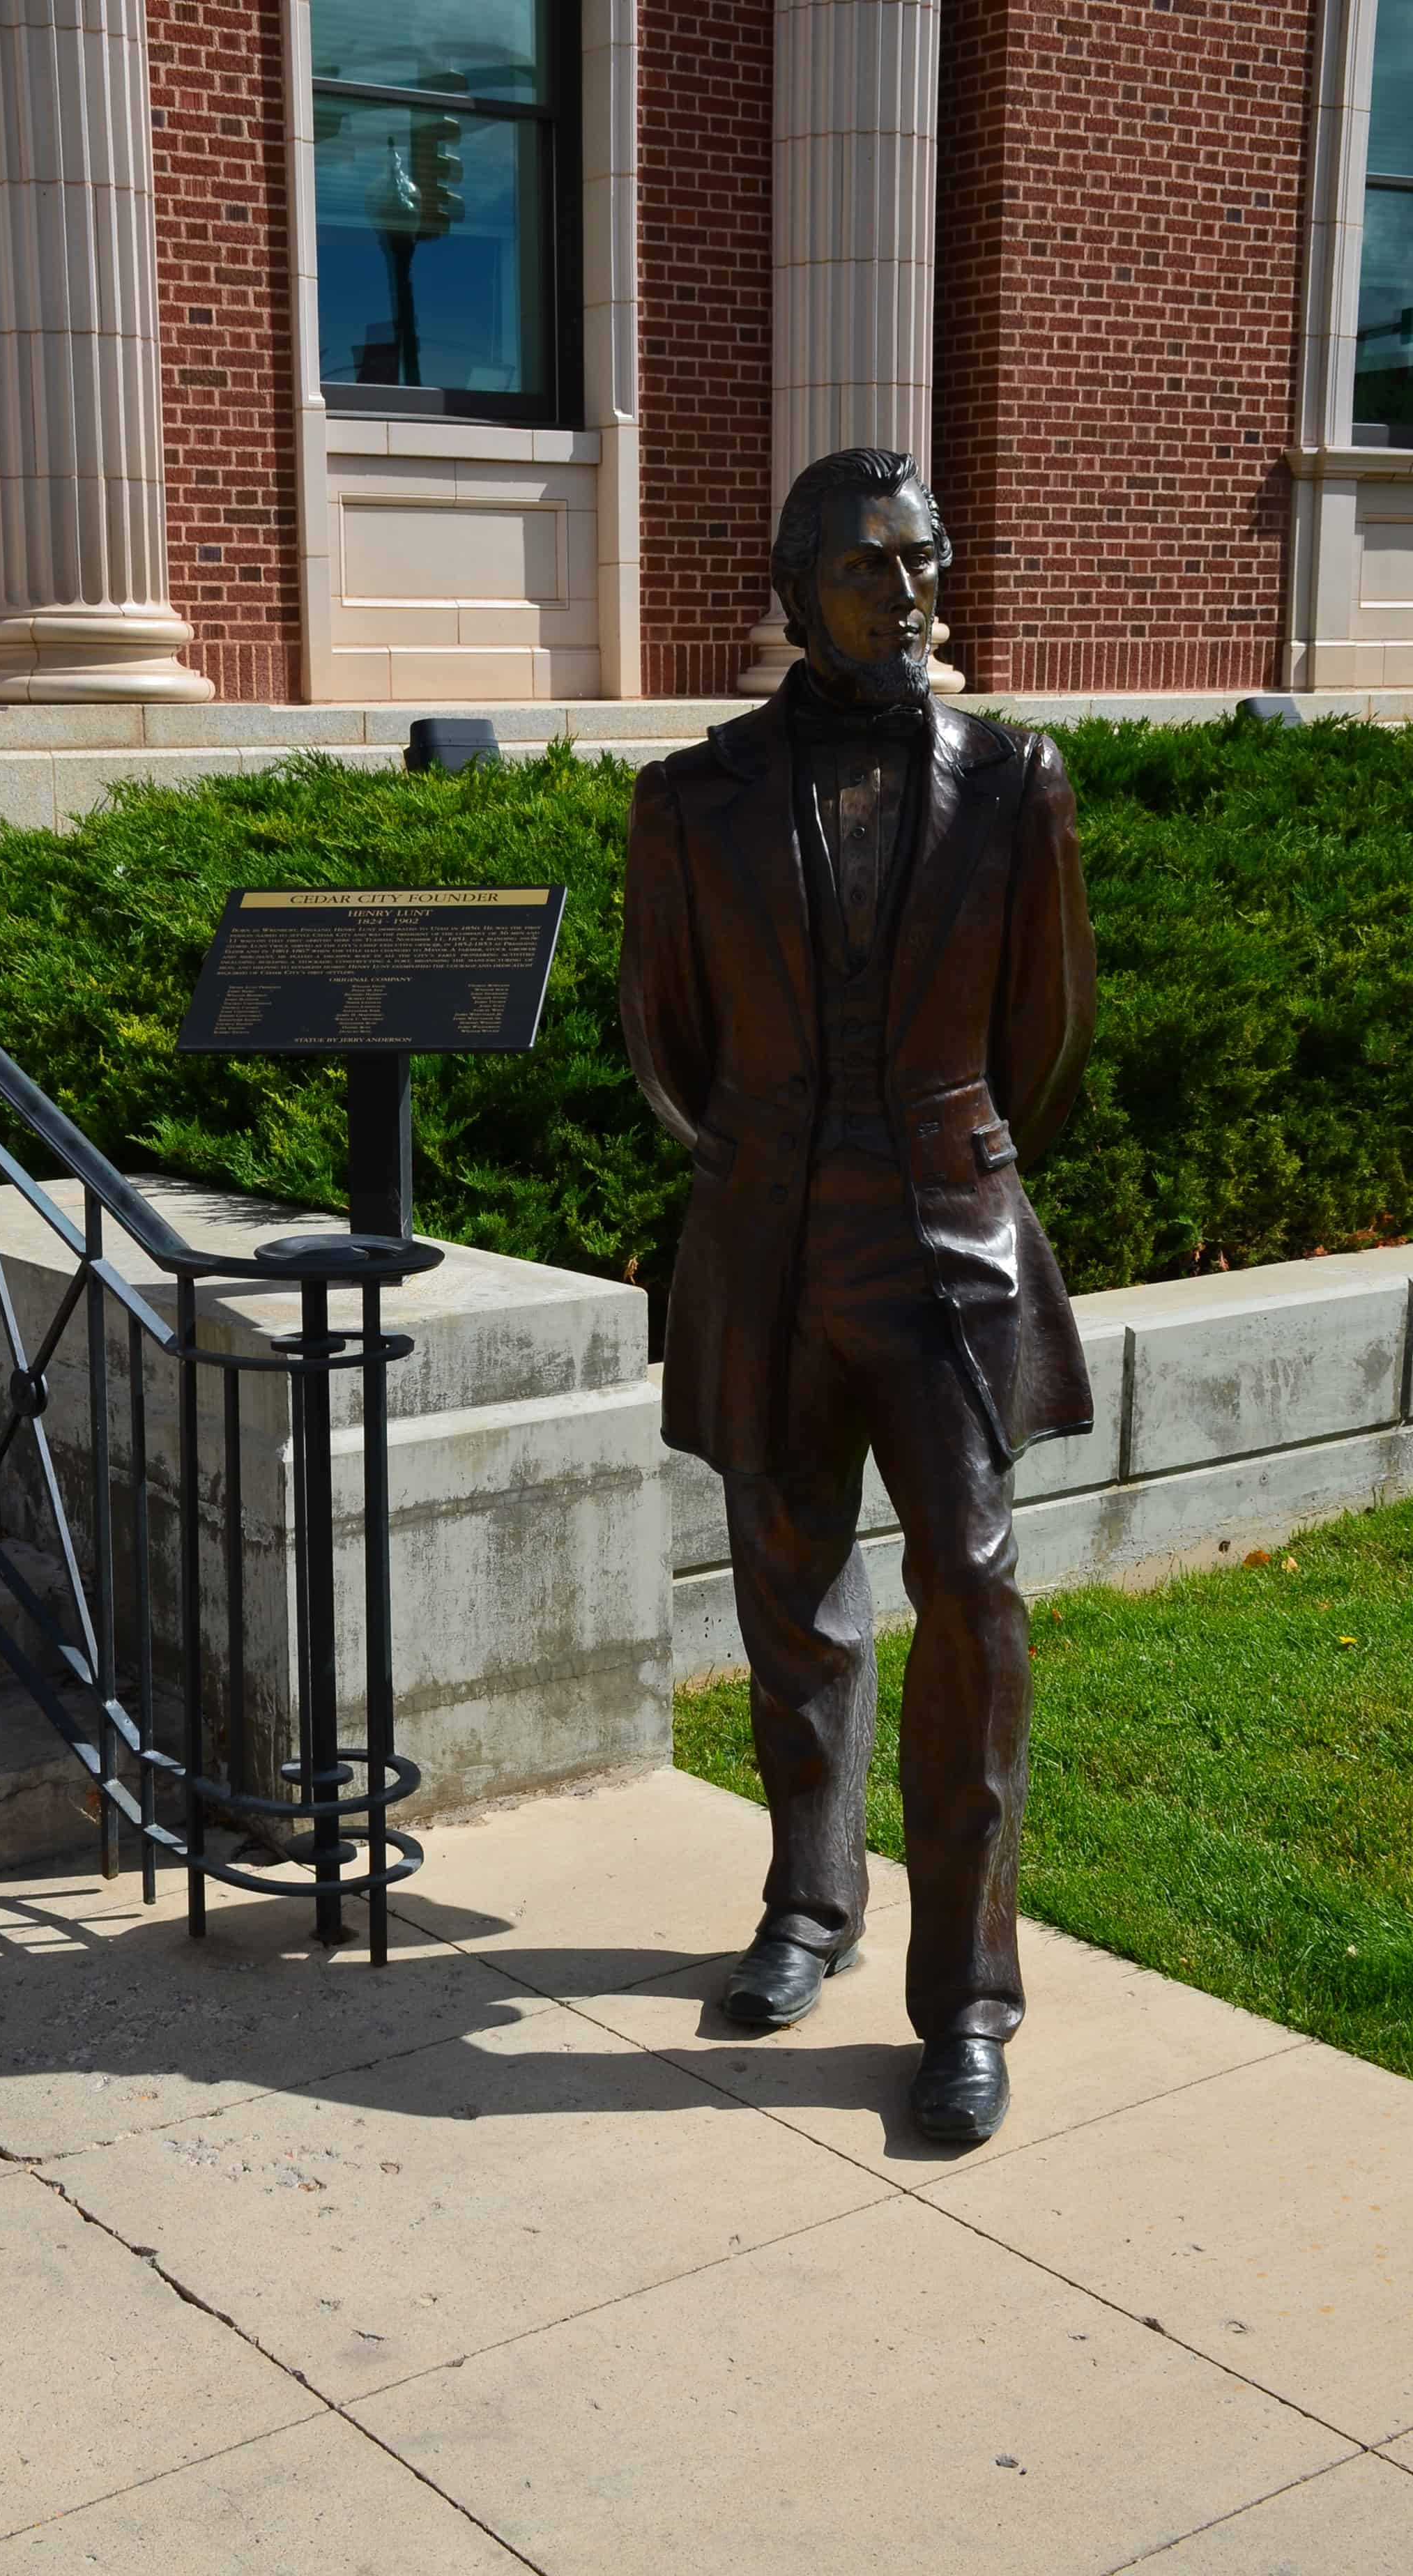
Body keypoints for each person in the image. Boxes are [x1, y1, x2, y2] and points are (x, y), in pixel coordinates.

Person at [619, 447, 1096, 2142]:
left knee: (974, 1594)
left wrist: (938, 1157)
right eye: (871, 570)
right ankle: (806, 1906)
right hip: (765, 1236)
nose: (910, 599)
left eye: (926, 565)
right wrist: (772, 1155)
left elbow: (1044, 1040)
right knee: (788, 1580)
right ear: (794, 584)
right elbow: (663, 1043)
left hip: (945, 1244)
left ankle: (967, 2003)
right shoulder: (691, 800)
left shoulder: (1019, 781)